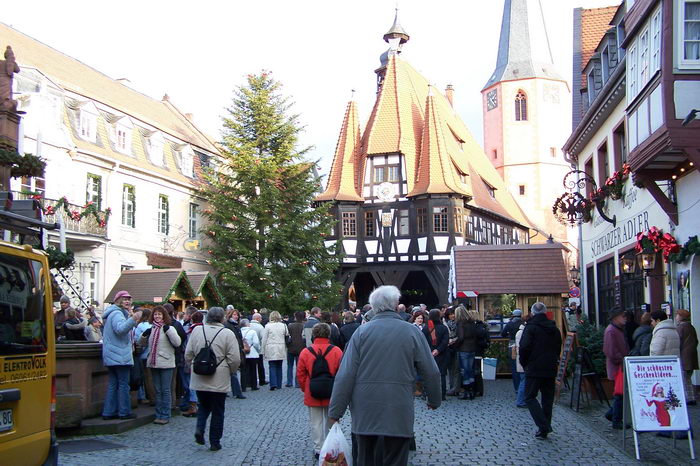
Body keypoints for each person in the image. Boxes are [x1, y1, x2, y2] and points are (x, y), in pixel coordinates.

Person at [328, 285, 441, 466]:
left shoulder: (361, 333)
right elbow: (431, 371)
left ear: (374, 307)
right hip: (398, 409)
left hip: (365, 412)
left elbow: (346, 374)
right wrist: (434, 400)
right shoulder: (411, 332)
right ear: (396, 305)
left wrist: (335, 411)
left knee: (365, 460)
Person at [184, 307, 240, 451]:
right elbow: (234, 359)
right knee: (218, 410)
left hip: (200, 375)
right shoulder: (227, 333)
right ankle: (215, 441)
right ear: (222, 318)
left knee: (203, 405)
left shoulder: (197, 331)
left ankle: (200, 428)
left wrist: (193, 365)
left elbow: (188, 353)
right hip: (219, 377)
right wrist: (230, 371)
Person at [297, 323, 343, 460]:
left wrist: (306, 388)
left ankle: (318, 449)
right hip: (332, 391)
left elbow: (300, 374)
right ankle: (331, 447)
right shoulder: (336, 351)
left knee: (316, 423)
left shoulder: (306, 352)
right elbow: (341, 373)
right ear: (328, 335)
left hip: (313, 391)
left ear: (314, 335)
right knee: (332, 421)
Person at [518, 302, 562, 440]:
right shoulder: (554, 328)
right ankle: (545, 427)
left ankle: (543, 426)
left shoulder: (530, 328)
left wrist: (525, 363)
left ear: (532, 312)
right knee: (547, 399)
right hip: (550, 367)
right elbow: (558, 346)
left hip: (534, 367)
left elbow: (524, 347)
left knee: (530, 397)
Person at [101, 290, 142, 420]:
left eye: (129, 299)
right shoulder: (117, 313)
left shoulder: (113, 312)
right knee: (124, 384)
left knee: (113, 384)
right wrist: (133, 319)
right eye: (125, 299)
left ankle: (109, 411)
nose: (128, 301)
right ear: (118, 301)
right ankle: (124, 411)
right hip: (120, 355)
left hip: (112, 354)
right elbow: (121, 330)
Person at [139, 305, 181, 424]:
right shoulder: (152, 329)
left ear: (164, 316)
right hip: (154, 363)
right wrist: (144, 335)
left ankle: (165, 415)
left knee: (165, 390)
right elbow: (141, 343)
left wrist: (169, 331)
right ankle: (158, 414)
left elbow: (177, 343)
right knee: (158, 390)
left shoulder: (169, 328)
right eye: (156, 314)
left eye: (160, 314)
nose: (157, 316)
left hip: (166, 362)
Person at [603, 307, 628, 430]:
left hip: (620, 366)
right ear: (615, 317)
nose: (625, 318)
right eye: (623, 316)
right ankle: (616, 420)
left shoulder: (618, 330)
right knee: (619, 394)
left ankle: (612, 414)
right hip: (618, 367)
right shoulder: (611, 331)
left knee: (620, 394)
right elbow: (611, 352)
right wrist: (622, 360)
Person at [422, 309, 449, 400]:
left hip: (429, 353)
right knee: (442, 374)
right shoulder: (443, 328)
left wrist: (430, 351)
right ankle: (442, 394)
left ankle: (428, 393)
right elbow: (445, 341)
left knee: (429, 374)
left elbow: (423, 341)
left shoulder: (426, 328)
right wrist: (438, 350)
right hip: (441, 354)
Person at [454, 306, 480, 400]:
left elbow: (461, 337)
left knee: (464, 370)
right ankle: (471, 390)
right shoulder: (472, 322)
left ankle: (466, 391)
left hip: (464, 349)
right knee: (470, 370)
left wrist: (455, 344)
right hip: (472, 348)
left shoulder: (461, 323)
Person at [261, 311, 288, 390]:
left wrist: (263, 350)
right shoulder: (283, 325)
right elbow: (286, 335)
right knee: (279, 366)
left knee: (272, 366)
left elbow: (264, 339)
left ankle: (273, 384)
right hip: (281, 347)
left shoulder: (268, 326)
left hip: (271, 347)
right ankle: (279, 384)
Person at [676, 309, 698, 405]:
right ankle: (691, 397)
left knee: (684, 379)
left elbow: (678, 342)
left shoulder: (681, 328)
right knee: (688, 378)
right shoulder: (691, 327)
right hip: (692, 356)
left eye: (677, 315)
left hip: (684, 357)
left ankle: (687, 398)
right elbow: (696, 341)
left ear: (681, 317)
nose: (676, 317)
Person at [224, 306, 247, 399]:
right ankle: (237, 392)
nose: (236, 316)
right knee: (233, 372)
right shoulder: (229, 325)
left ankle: (234, 391)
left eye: (237, 315)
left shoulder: (236, 325)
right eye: (234, 314)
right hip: (231, 350)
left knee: (232, 372)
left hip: (237, 349)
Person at [501, 308, 523, 393]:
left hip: (512, 346)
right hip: (522, 346)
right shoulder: (523, 323)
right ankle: (523, 386)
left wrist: (509, 335)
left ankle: (517, 388)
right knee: (522, 368)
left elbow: (503, 334)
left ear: (513, 315)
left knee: (514, 368)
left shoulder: (510, 323)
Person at [240, 319, 261, 390]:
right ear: (248, 324)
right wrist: (258, 350)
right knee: (253, 370)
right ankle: (253, 385)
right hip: (252, 353)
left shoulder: (239, 332)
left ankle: (244, 385)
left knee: (244, 370)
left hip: (243, 353)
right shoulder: (252, 332)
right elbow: (256, 343)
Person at [286, 311, 306, 387]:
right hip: (301, 348)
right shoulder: (304, 326)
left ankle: (289, 382)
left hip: (291, 347)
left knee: (290, 365)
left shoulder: (290, 325)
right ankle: (297, 382)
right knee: (299, 366)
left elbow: (287, 336)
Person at [513, 314, 529, 408]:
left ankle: (522, 399)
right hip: (522, 360)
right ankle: (520, 401)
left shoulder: (521, 331)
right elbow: (521, 348)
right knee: (524, 380)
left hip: (522, 360)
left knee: (523, 380)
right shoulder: (521, 333)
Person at [250, 313, 267, 385]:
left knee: (251, 367)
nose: (261, 320)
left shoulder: (248, 325)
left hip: (249, 349)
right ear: (257, 319)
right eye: (260, 318)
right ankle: (262, 380)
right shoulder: (260, 327)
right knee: (260, 365)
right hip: (257, 349)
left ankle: (250, 381)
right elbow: (263, 338)